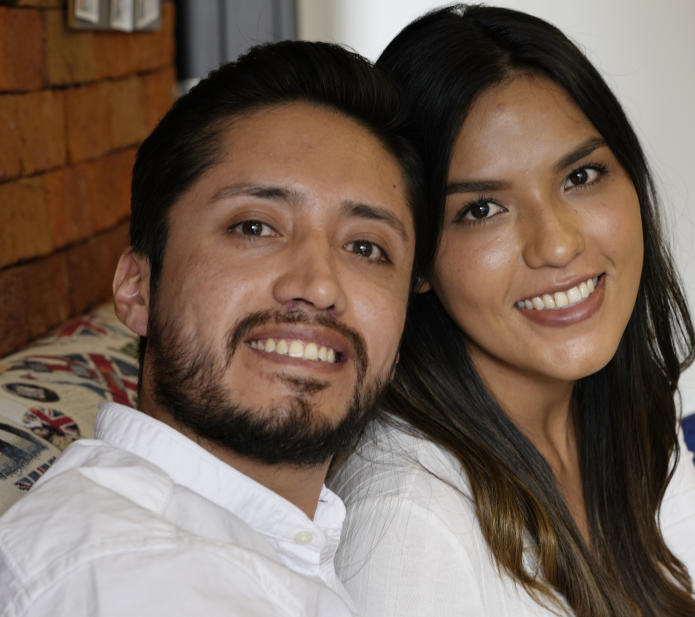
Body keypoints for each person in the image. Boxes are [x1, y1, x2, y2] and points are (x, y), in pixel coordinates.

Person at [330, 5, 695, 617]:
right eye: (482, 209)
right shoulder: (410, 520)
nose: (558, 244)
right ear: (415, 260)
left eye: (582, 175)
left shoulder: (621, 418)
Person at [0, 41, 427, 617]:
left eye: (366, 247)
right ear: (137, 287)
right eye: (255, 227)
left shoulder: (279, 541)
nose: (320, 285)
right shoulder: (127, 577)